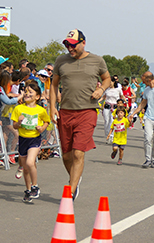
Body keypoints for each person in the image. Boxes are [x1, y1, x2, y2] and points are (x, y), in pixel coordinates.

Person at [49, 29, 111, 200]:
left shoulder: (97, 60)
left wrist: (101, 89)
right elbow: (54, 85)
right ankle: (75, 178)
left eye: (73, 45)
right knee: (66, 155)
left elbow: (107, 79)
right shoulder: (61, 61)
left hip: (87, 111)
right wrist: (52, 107)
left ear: (83, 43)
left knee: (78, 153)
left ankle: (70, 191)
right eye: (67, 45)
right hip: (65, 112)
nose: (70, 48)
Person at [11, 81, 50, 203]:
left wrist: (42, 128)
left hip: (34, 139)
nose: (27, 94)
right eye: (26, 92)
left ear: (37, 97)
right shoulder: (19, 109)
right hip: (23, 139)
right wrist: (19, 122)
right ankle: (28, 190)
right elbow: (15, 126)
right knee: (25, 168)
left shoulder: (40, 110)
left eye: (30, 92)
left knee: (30, 162)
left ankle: (35, 186)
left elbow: (46, 121)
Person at [100, 77, 125, 144]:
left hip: (114, 107)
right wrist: (98, 101)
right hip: (107, 106)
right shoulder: (107, 89)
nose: (109, 83)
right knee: (106, 121)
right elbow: (103, 97)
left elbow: (122, 96)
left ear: (114, 82)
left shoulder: (118, 89)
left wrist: (126, 103)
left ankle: (111, 136)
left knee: (112, 122)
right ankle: (107, 135)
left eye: (110, 82)